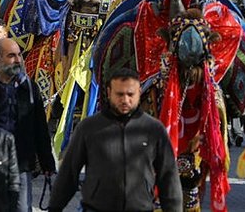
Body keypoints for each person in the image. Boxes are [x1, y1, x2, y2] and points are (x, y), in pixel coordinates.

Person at [49, 68, 183, 212]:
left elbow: (169, 179)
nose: (125, 100)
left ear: (139, 92)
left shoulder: (154, 130)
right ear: (109, 92)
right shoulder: (88, 128)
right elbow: (68, 175)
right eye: (119, 94)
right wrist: (54, 207)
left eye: (130, 94)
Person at [0, 38, 56, 212]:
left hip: (20, 164)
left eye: (19, 55)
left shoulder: (28, 87)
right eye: (11, 56)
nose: (17, 60)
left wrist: (46, 162)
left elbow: (40, 126)